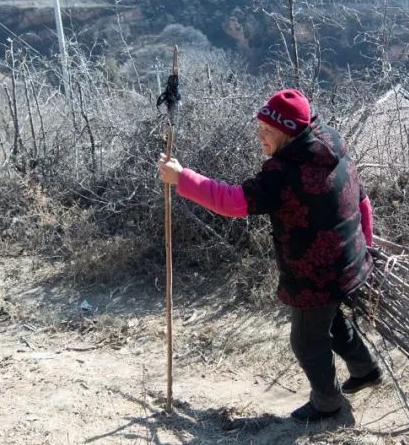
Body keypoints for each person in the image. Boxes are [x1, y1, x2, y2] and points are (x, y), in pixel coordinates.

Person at [157, 89, 382, 422]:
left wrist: (182, 179)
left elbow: (232, 201)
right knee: (328, 321)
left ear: (288, 132)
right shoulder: (332, 148)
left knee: (306, 341)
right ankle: (365, 371)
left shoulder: (284, 174)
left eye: (267, 130)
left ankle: (327, 404)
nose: (259, 135)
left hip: (316, 274)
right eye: (259, 126)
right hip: (349, 261)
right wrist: (366, 246)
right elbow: (362, 201)